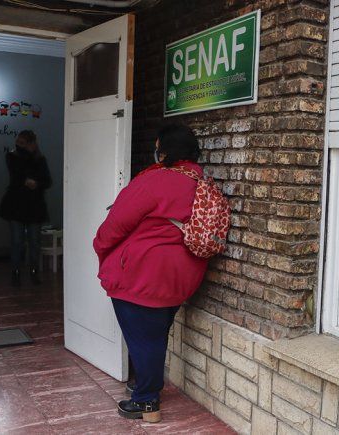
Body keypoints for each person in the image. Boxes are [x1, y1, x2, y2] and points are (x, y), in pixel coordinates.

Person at [93, 124, 208, 423]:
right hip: (182, 275)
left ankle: (146, 401)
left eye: (158, 147)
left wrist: (100, 248)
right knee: (154, 335)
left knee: (144, 339)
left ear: (165, 151)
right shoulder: (200, 180)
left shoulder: (156, 180)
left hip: (144, 274)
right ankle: (146, 383)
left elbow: (115, 225)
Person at [0, 130, 51, 286]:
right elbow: (17, 174)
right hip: (17, 205)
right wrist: (30, 181)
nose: (18, 146)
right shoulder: (12, 157)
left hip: (34, 205)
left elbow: (47, 181)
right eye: (18, 143)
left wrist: (36, 183)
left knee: (35, 241)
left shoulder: (40, 160)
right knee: (17, 241)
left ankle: (34, 271)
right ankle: (16, 272)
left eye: (22, 143)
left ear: (31, 143)